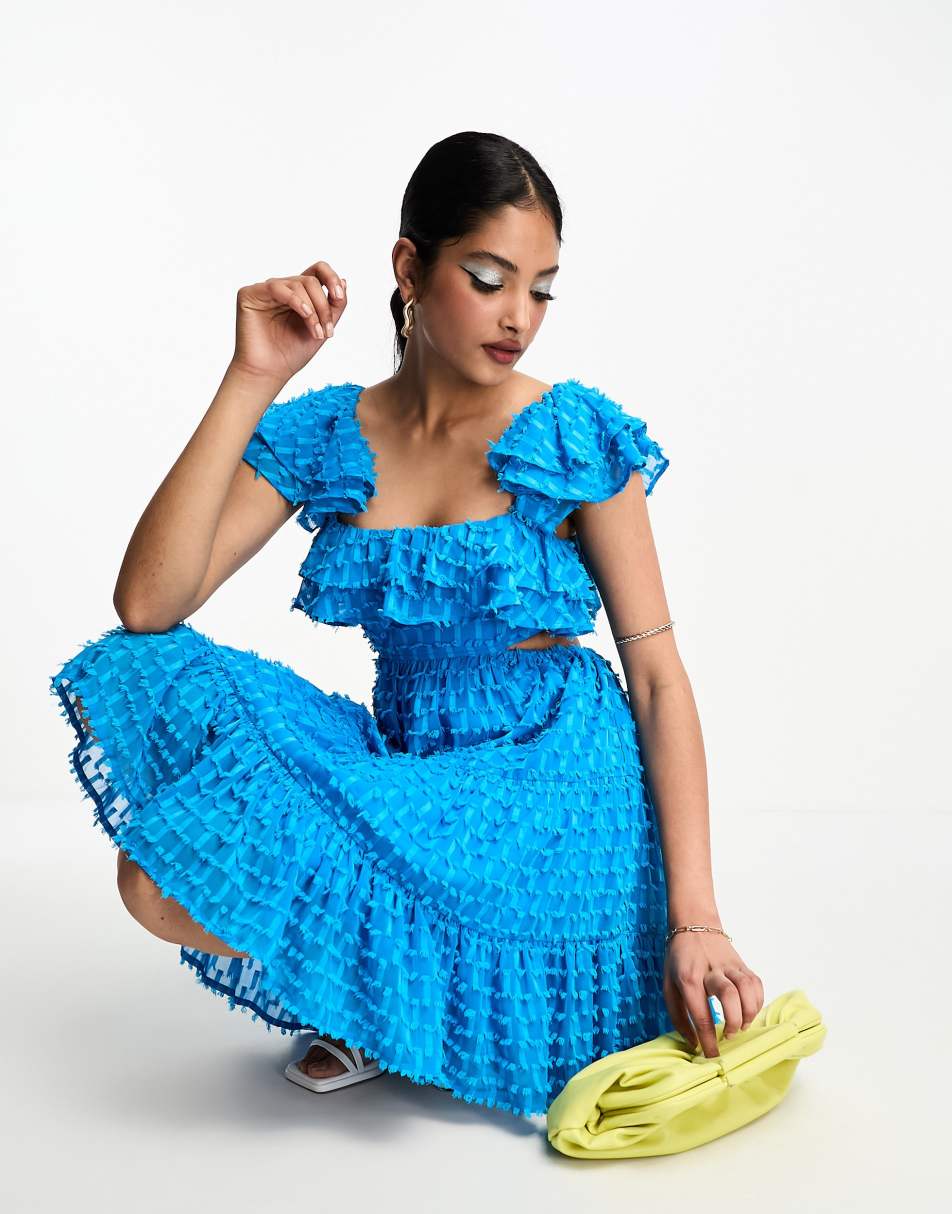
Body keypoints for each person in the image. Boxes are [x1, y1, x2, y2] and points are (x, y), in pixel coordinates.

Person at [48, 130, 764, 1119]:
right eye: (489, 278)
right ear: (409, 269)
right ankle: (388, 993)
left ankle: (383, 998)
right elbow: (148, 604)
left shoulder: (573, 431)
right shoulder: (332, 431)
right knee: (157, 853)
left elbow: (658, 678)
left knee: (189, 871)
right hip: (407, 761)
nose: (519, 317)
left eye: (542, 290)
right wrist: (252, 376)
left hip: (550, 783)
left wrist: (698, 918)